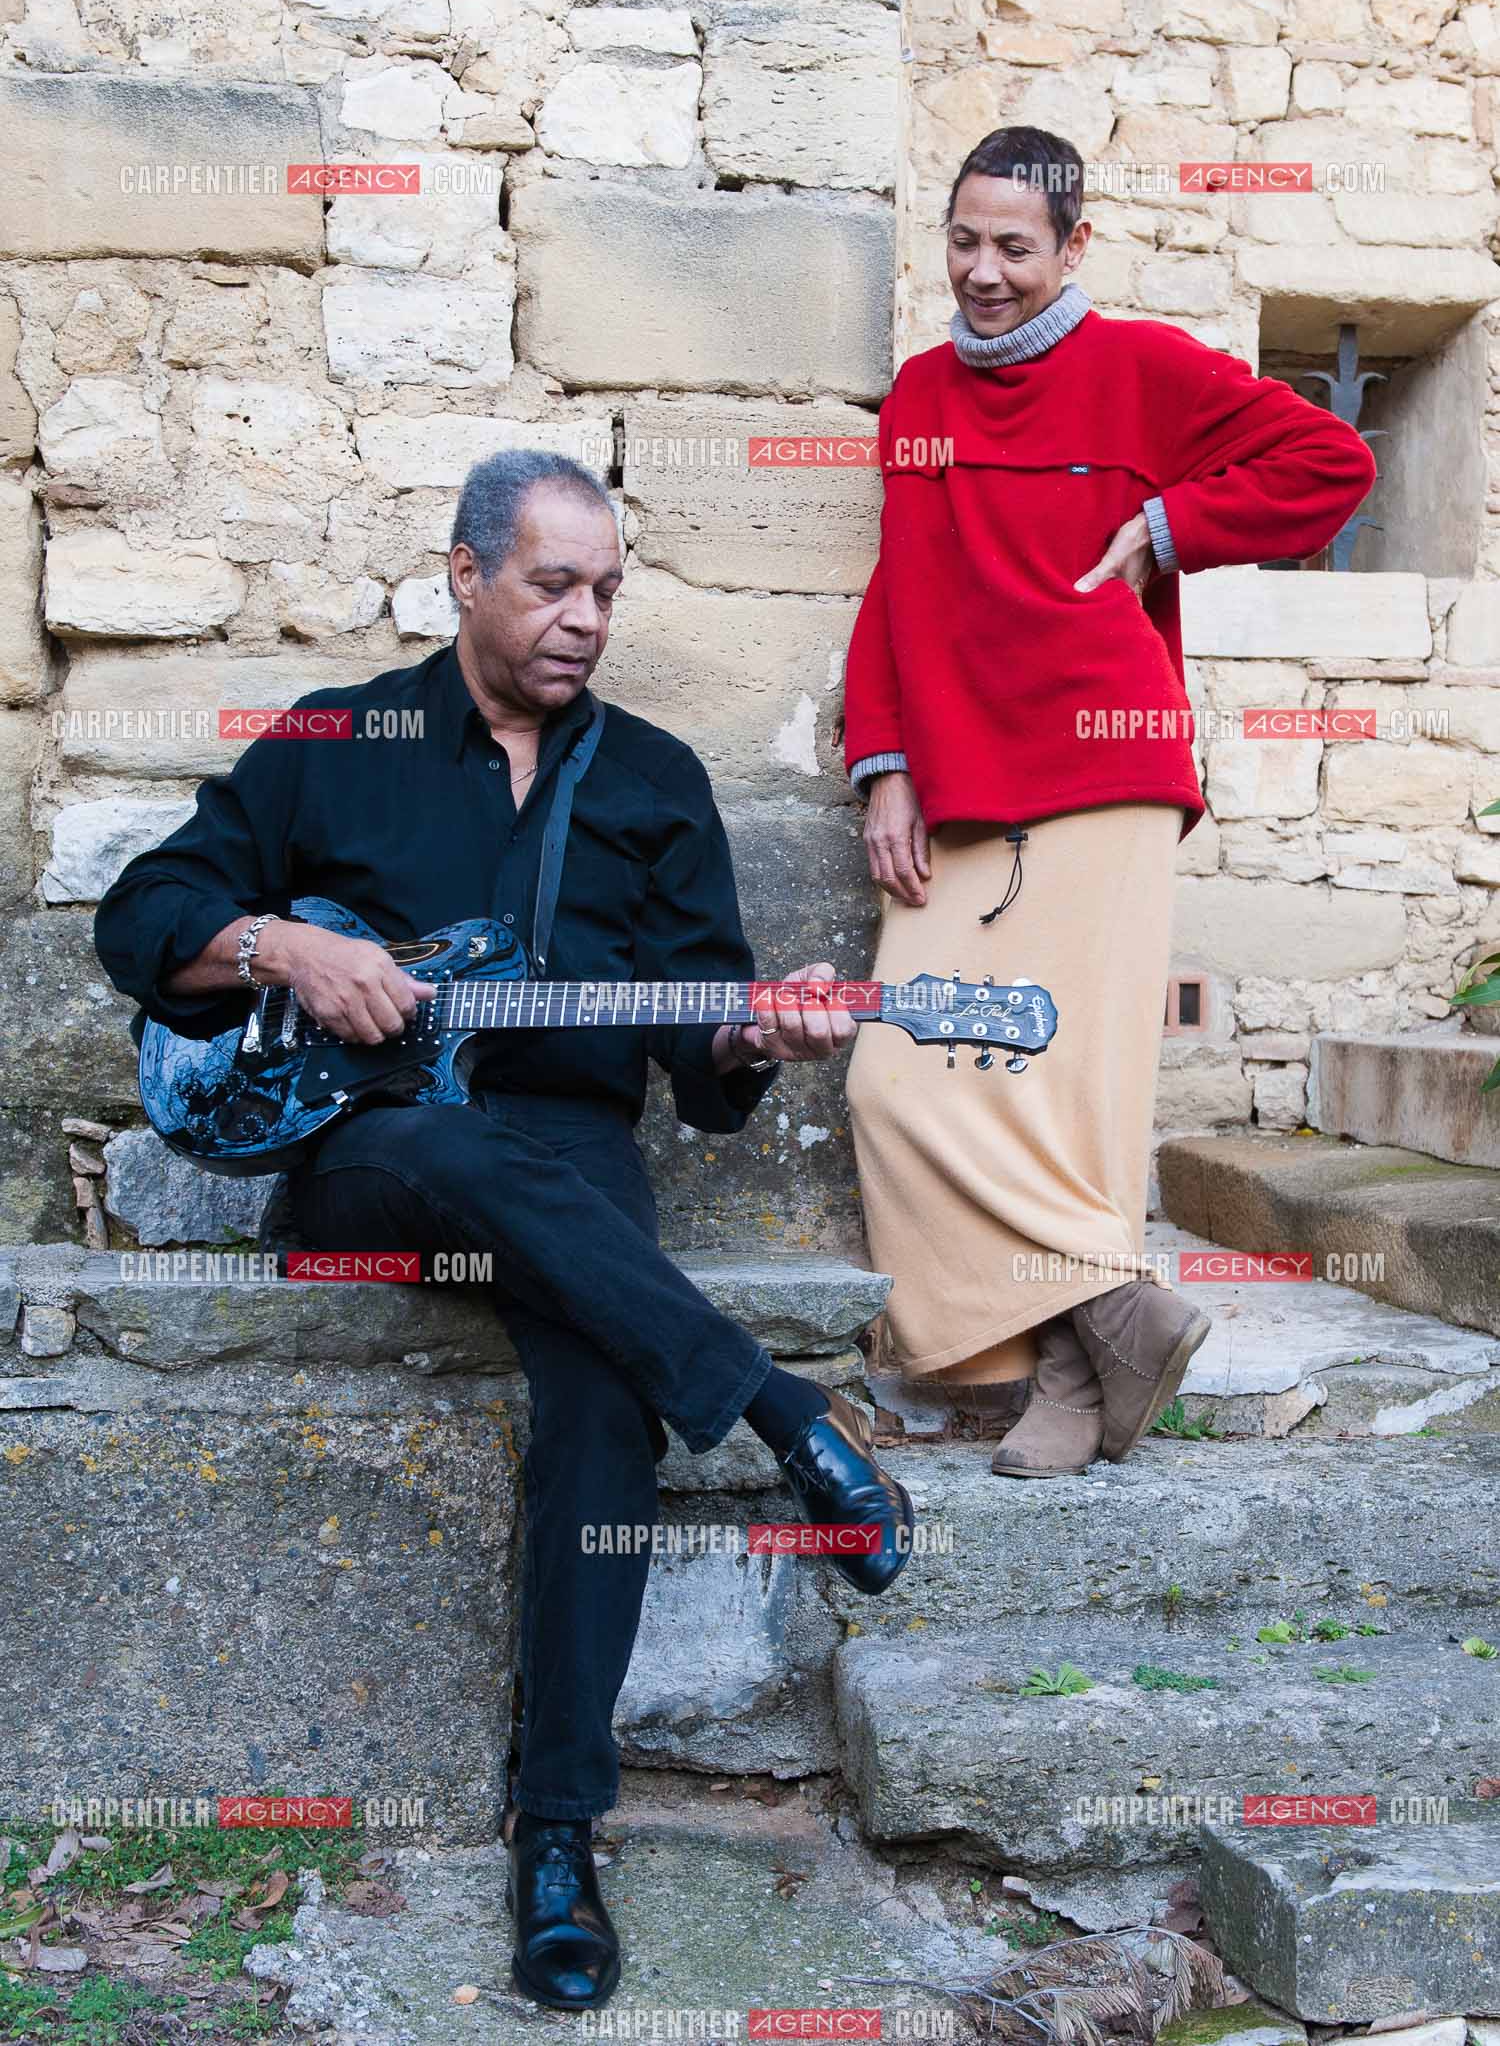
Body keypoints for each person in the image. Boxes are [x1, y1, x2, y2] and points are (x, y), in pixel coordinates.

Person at [94, 449, 915, 2014]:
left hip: (570, 1157)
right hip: (373, 1157)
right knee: (446, 1143)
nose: (584, 617)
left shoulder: (656, 781)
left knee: (606, 1385)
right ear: (466, 574)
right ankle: (779, 1405)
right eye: (552, 584)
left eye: (606, 589)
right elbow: (141, 920)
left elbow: (702, 1060)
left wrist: (754, 1033)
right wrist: (284, 946)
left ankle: (558, 1836)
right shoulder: (340, 740)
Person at [842, 126, 1377, 1480]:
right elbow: (896, 586)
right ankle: (1118, 1318)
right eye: (964, 242)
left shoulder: (1145, 370)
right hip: (960, 783)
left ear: (1074, 245)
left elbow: (1332, 465)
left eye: (1014, 247)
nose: (984, 272)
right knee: (898, 1080)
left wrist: (1167, 527)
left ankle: (1070, 1379)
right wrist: (883, 761)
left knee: (1067, 1094)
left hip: (1106, 766)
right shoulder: (919, 398)